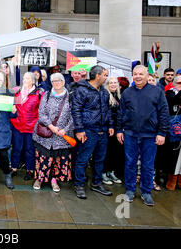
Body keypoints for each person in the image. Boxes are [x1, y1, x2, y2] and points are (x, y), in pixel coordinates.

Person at [116, 65, 170, 206]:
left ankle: (146, 192)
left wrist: (162, 133)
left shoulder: (157, 92)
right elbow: (121, 113)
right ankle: (130, 190)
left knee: (148, 165)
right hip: (130, 134)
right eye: (135, 74)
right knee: (130, 163)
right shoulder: (127, 93)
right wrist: (119, 130)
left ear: (147, 75)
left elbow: (164, 113)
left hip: (150, 135)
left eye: (141, 74)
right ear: (132, 76)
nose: (138, 76)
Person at [71, 65, 114, 200]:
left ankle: (96, 183)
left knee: (99, 159)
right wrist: (80, 130)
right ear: (97, 75)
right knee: (83, 159)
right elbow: (75, 110)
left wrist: (111, 125)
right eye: (105, 75)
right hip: (88, 131)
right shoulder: (81, 90)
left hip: (102, 130)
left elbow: (108, 110)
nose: (106, 78)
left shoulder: (104, 92)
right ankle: (79, 184)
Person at [32, 72, 74, 192]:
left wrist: (65, 129)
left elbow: (74, 116)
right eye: (54, 81)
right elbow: (41, 113)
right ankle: (39, 179)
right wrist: (51, 126)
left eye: (59, 81)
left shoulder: (70, 96)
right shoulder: (47, 94)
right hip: (46, 134)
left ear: (63, 82)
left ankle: (54, 180)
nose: (56, 83)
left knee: (58, 159)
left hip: (62, 135)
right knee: (42, 157)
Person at [10, 72, 43, 180]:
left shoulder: (38, 93)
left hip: (31, 127)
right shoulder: (17, 92)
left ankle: (30, 170)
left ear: (33, 81)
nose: (24, 80)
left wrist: (37, 124)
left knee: (29, 149)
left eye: (27, 78)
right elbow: (13, 106)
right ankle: (14, 168)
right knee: (16, 148)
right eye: (24, 78)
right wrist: (13, 110)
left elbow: (42, 111)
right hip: (18, 125)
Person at [102, 77, 124, 185]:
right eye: (111, 83)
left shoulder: (118, 97)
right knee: (106, 152)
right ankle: (103, 173)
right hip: (108, 128)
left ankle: (111, 172)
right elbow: (107, 113)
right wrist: (110, 125)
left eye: (115, 83)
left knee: (114, 152)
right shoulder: (106, 96)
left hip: (117, 128)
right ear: (107, 84)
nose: (113, 84)